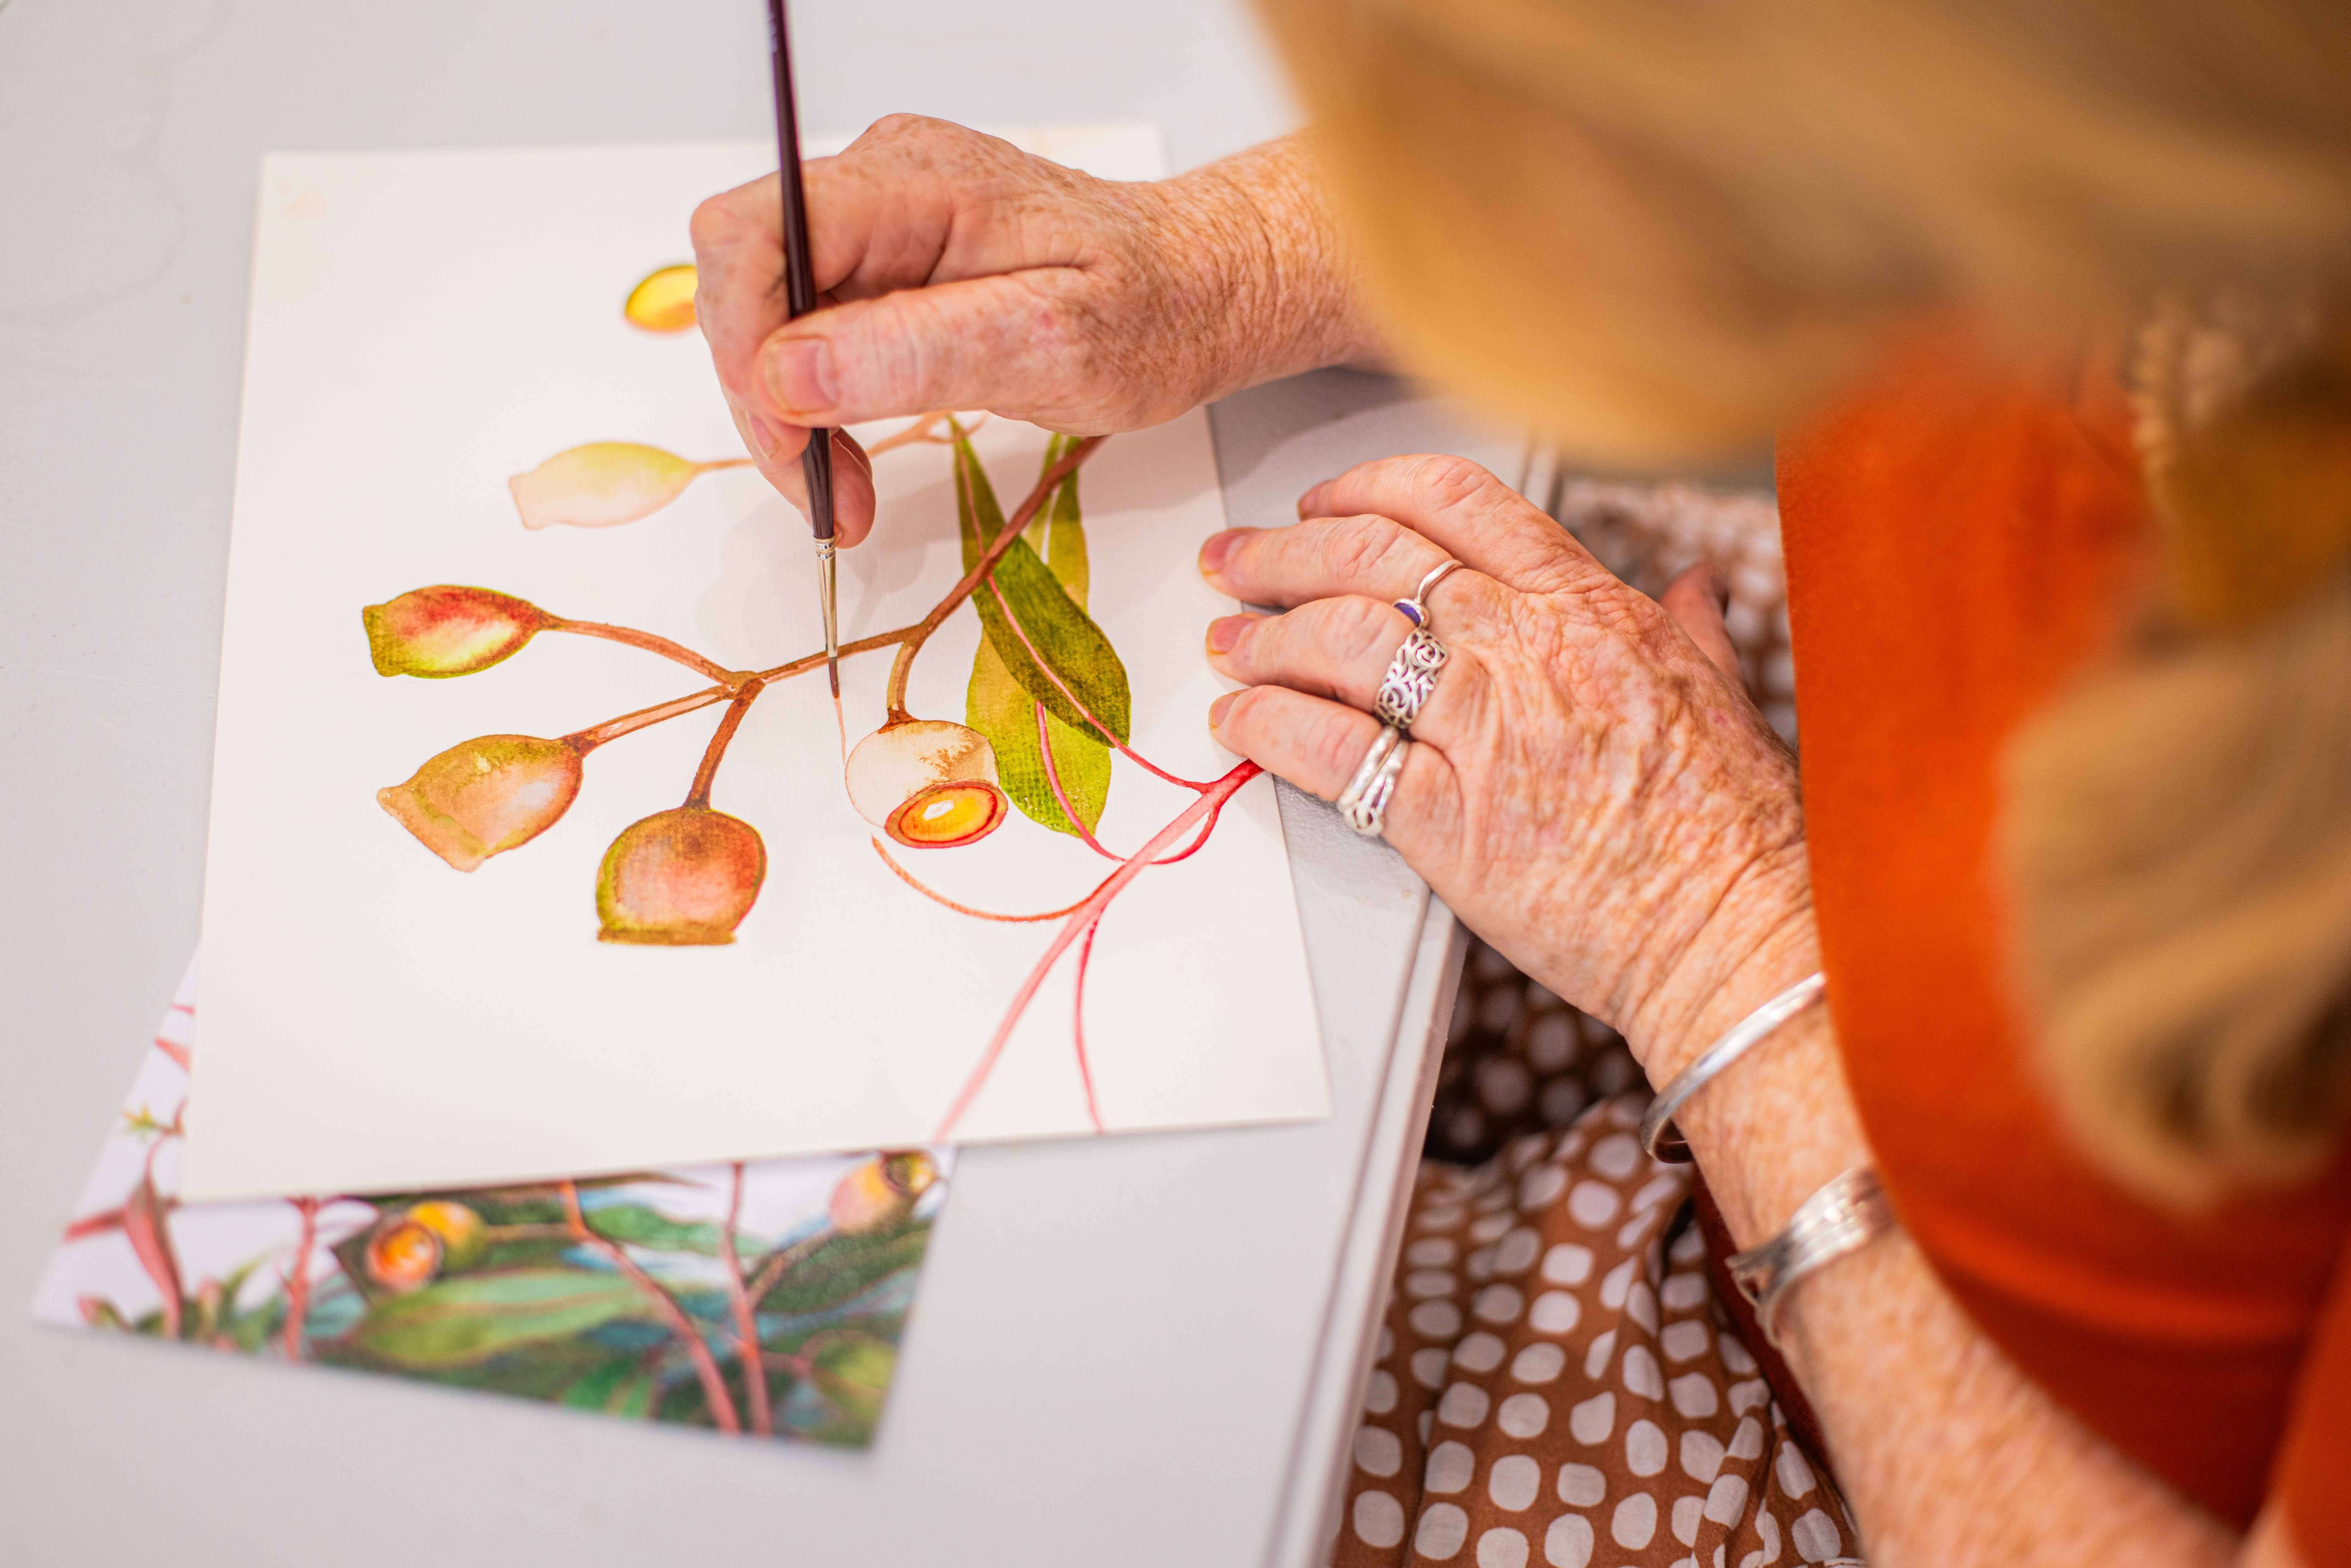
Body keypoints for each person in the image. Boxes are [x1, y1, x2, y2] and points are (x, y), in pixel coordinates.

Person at [688, 1, 2351, 1561]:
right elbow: (1797, 126)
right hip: (1876, 826)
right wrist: (1204, 258)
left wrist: (1718, 942)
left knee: (1038, 1425)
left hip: (1973, 1445)